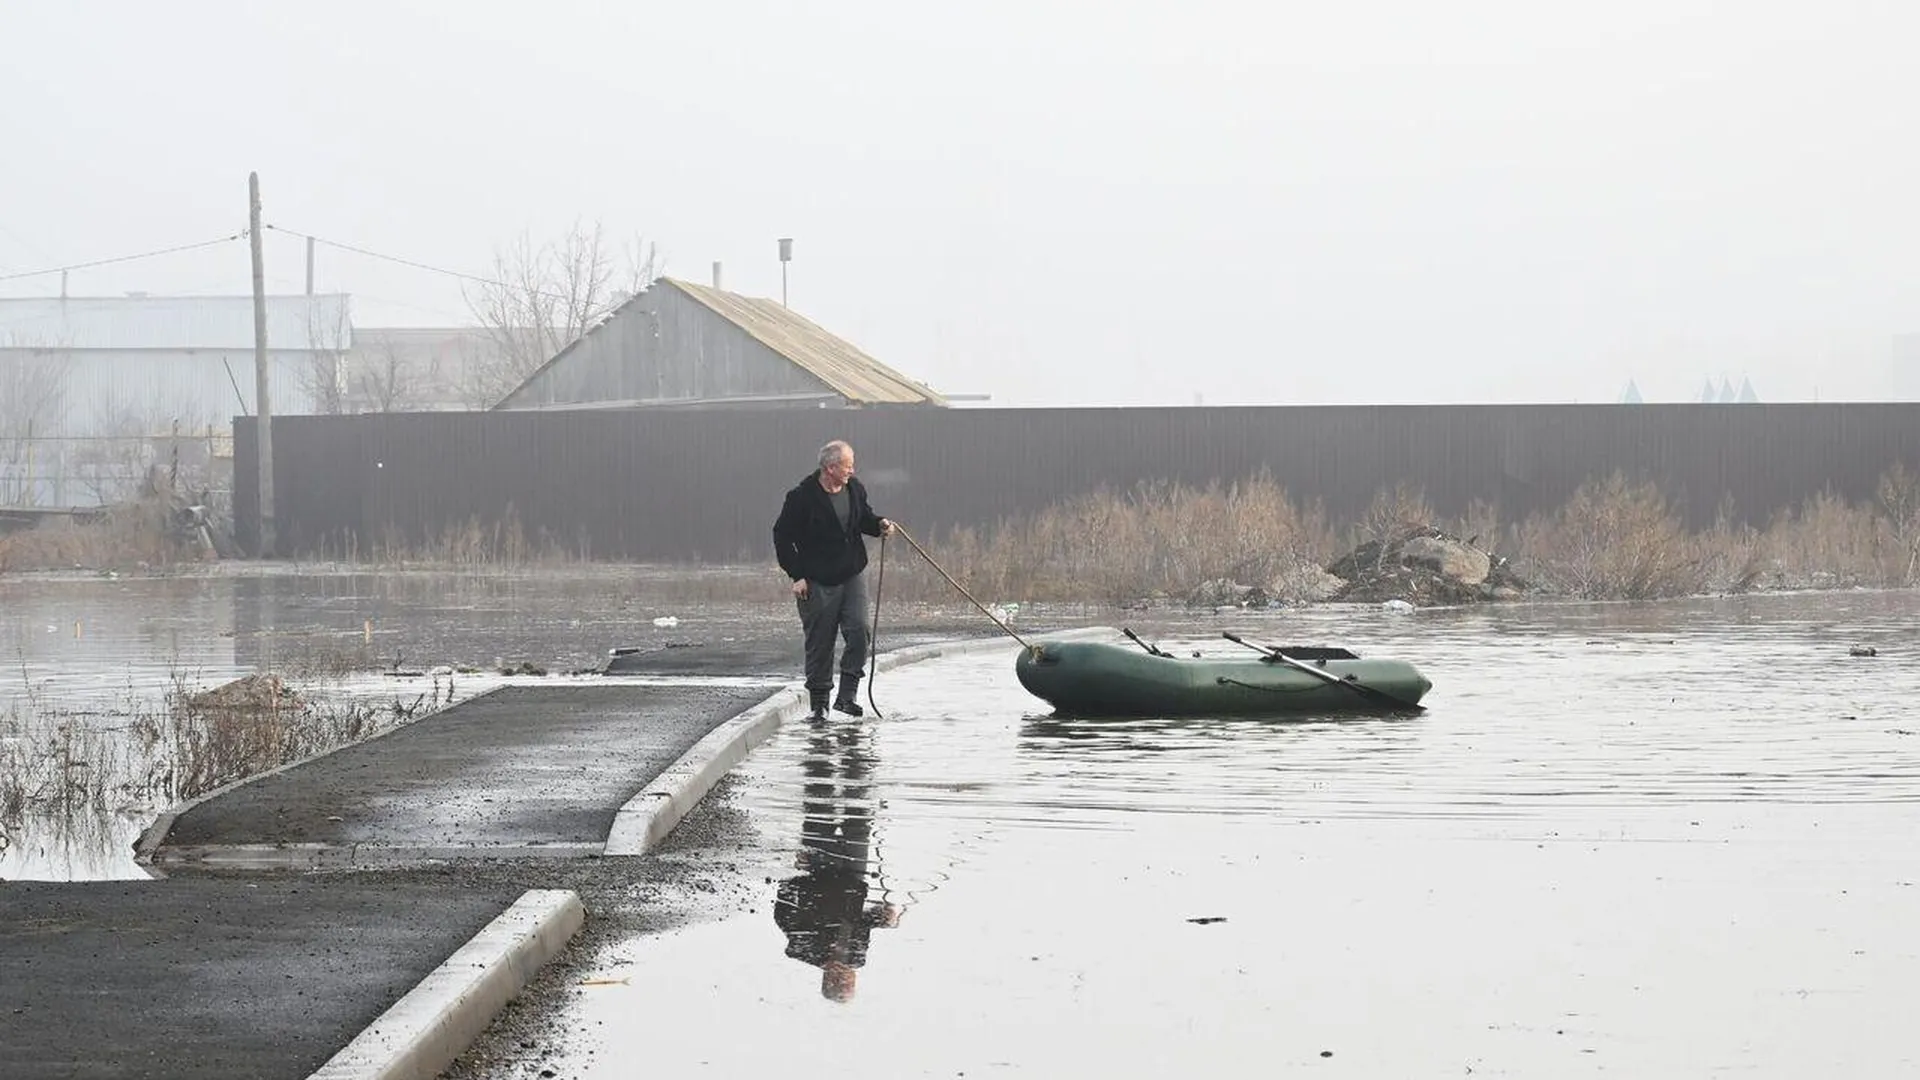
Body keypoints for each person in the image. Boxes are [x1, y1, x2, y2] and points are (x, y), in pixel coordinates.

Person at [771, 713, 902, 1002]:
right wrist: (882, 917)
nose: (847, 974)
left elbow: (782, 906)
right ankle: (857, 759)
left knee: (820, 804)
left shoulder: (801, 948)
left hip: (819, 871)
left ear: (828, 979)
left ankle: (820, 750)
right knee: (860, 818)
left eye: (842, 981)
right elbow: (860, 922)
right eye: (849, 980)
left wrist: (798, 874)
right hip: (853, 877)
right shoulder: (858, 955)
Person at [771, 439, 896, 719]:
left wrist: (880, 525)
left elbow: (864, 519)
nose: (852, 470)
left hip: (852, 572)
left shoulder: (854, 488)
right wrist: (797, 575)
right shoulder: (801, 497)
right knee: (820, 642)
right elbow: (782, 536)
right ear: (830, 468)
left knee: (860, 631)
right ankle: (819, 707)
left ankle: (847, 696)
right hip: (816, 579)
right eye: (847, 465)